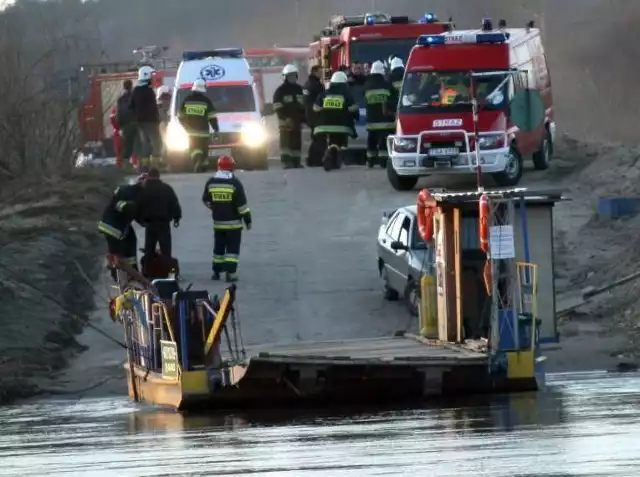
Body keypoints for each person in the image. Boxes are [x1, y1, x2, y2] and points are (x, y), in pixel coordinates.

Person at [201, 156, 252, 282]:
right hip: (233, 225)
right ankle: (230, 273)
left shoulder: (211, 182)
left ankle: (216, 272)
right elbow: (242, 206)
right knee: (232, 250)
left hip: (218, 223)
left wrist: (215, 208)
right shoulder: (235, 183)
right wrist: (248, 220)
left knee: (218, 248)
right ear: (231, 168)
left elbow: (206, 199)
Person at [98, 173, 147, 282]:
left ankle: (131, 270)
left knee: (130, 240)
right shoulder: (134, 194)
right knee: (116, 251)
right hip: (113, 227)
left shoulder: (129, 191)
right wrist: (143, 220)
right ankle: (117, 273)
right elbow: (130, 209)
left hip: (115, 224)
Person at [136, 167, 181, 276]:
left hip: (150, 224)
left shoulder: (143, 189)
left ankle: (147, 272)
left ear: (149, 176)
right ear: (159, 176)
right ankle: (166, 272)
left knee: (149, 250)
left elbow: (137, 206)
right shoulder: (167, 189)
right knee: (166, 250)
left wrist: (140, 220)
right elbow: (174, 204)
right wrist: (176, 218)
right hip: (163, 224)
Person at [312, 71, 359, 171]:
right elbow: (353, 109)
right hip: (343, 126)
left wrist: (322, 115)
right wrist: (355, 118)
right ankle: (337, 158)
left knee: (332, 141)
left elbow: (315, 108)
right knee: (342, 143)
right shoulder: (347, 94)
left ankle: (330, 156)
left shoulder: (324, 94)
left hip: (324, 125)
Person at [177, 78, 219, 172]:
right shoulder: (206, 101)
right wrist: (216, 129)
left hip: (191, 132)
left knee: (193, 149)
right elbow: (212, 117)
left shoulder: (186, 100)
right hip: (204, 132)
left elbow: (180, 116)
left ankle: (198, 159)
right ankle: (203, 164)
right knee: (203, 149)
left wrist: (185, 126)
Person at [129, 66, 163, 171]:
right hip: (151, 122)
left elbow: (131, 107)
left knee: (145, 143)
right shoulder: (149, 92)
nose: (152, 79)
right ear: (146, 77)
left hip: (140, 122)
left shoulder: (135, 91)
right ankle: (154, 166)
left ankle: (144, 165)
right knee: (157, 143)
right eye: (151, 76)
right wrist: (158, 118)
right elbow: (153, 108)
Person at [272, 64, 305, 169]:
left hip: (297, 120)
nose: (292, 78)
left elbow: (303, 105)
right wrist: (285, 118)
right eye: (290, 76)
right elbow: (277, 106)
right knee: (285, 142)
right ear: (285, 77)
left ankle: (296, 161)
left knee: (296, 142)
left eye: (294, 76)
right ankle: (286, 162)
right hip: (285, 121)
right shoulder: (280, 91)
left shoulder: (299, 89)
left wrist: (303, 118)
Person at [363, 61, 395, 169]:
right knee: (384, 141)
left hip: (371, 121)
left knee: (371, 140)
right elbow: (394, 100)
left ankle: (370, 161)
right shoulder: (387, 85)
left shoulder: (367, 86)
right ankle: (383, 162)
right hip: (386, 121)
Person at [302, 65, 326, 167]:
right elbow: (318, 100)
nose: (321, 74)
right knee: (320, 139)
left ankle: (312, 160)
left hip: (311, 115)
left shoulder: (308, 84)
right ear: (314, 72)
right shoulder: (315, 85)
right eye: (320, 71)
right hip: (315, 115)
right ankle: (315, 160)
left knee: (317, 138)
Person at [115, 79, 136, 168]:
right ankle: (142, 166)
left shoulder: (120, 99)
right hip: (137, 125)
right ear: (131, 86)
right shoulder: (136, 97)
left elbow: (119, 114)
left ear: (124, 87)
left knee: (127, 146)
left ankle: (127, 166)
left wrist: (120, 126)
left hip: (125, 126)